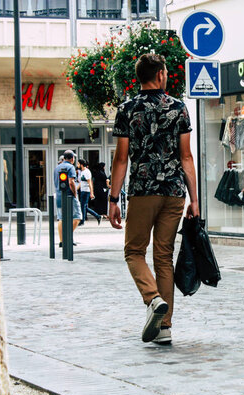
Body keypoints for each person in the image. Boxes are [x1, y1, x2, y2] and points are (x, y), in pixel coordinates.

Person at [108, 53, 199, 345]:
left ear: (139, 77)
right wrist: (194, 200)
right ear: (160, 75)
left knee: (134, 252)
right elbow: (186, 156)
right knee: (163, 257)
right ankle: (165, 326)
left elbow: (121, 159)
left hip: (143, 191)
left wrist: (113, 199)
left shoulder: (127, 109)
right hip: (174, 193)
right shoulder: (179, 107)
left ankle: (153, 299)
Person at [53, 150, 82, 247]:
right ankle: (67, 236)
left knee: (61, 218)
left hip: (59, 196)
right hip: (69, 196)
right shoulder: (71, 167)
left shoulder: (57, 168)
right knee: (77, 217)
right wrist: (75, 194)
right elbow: (71, 182)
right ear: (72, 158)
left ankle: (62, 241)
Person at [77, 159, 101, 226]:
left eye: (78, 164)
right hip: (83, 191)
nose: (77, 165)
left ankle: (82, 221)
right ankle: (97, 216)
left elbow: (90, 183)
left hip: (86, 191)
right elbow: (81, 183)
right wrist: (76, 189)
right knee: (84, 207)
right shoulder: (82, 172)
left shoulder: (87, 172)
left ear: (81, 164)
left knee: (83, 206)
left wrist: (91, 193)